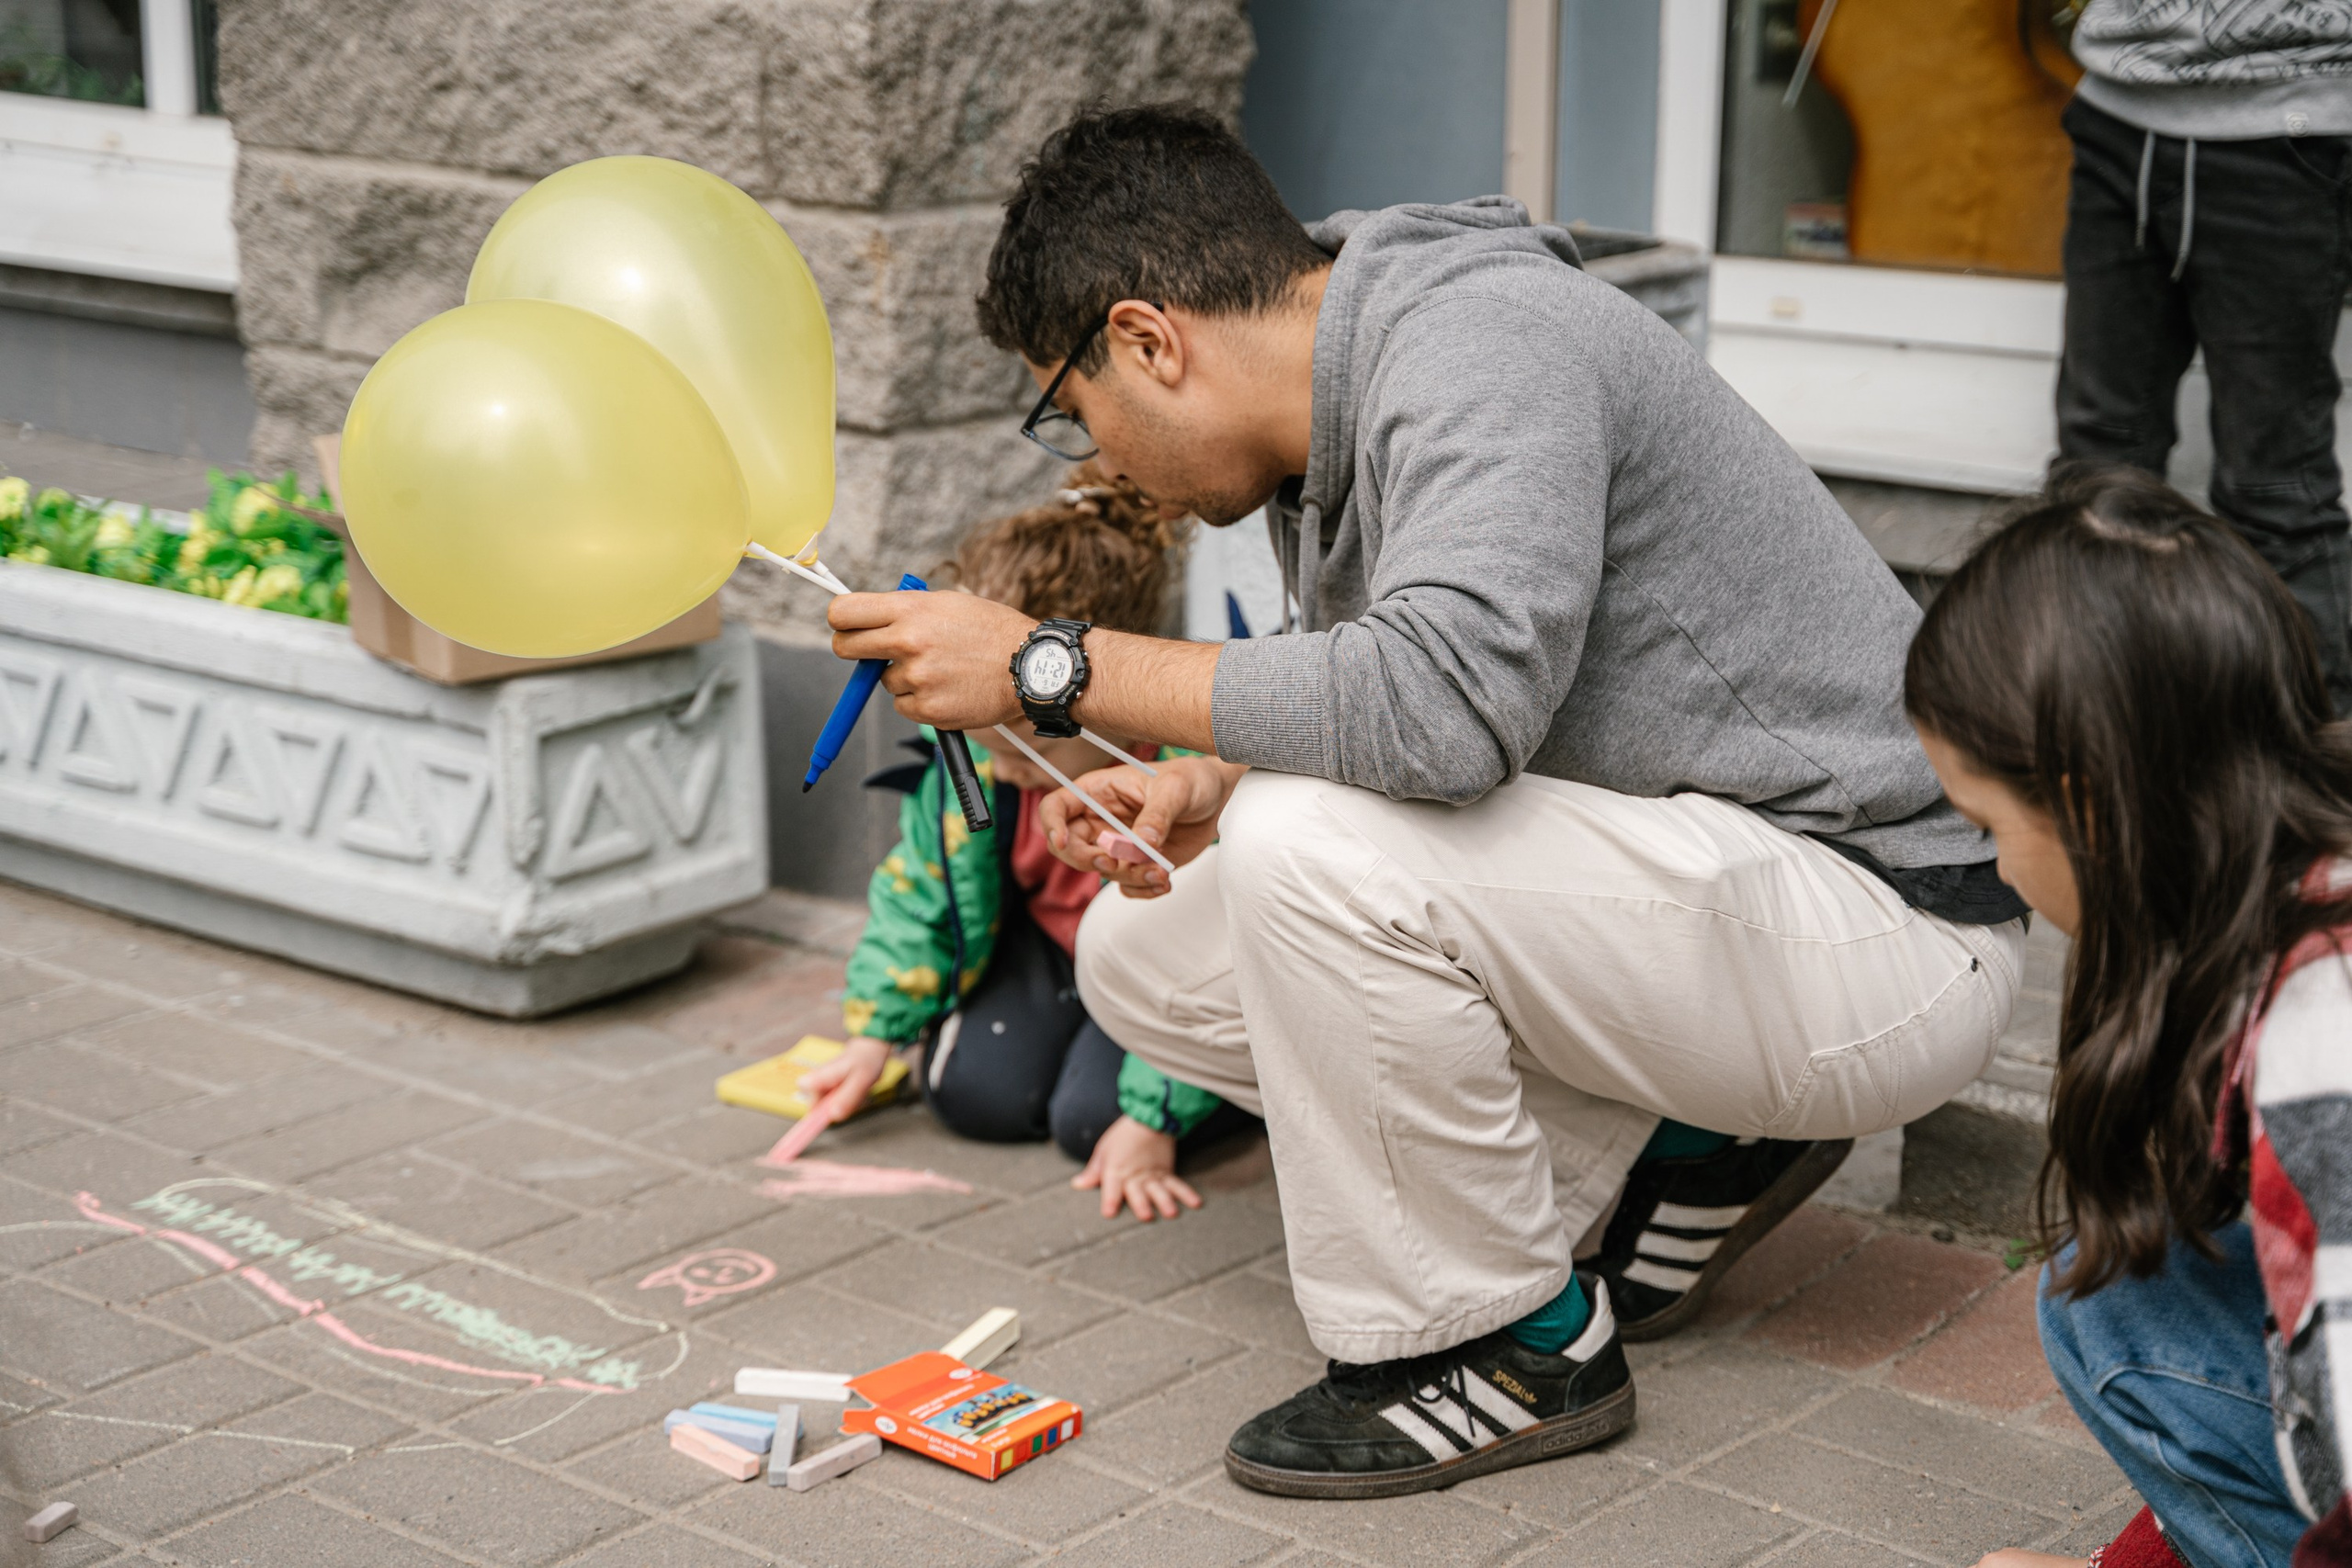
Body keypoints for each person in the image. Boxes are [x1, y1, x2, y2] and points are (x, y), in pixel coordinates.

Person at [827, 105, 2027, 1498]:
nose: (1093, 460)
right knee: (1144, 952)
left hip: (1891, 928)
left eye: (1070, 409)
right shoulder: (1326, 422)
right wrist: (1210, 781)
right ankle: (1656, 1152)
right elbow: (1413, 716)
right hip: (1719, 884)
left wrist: (1048, 663)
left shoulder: (1481, 346)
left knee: (1306, 853)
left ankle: (1507, 1344)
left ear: (1151, 340)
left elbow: (1441, 712)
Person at [1908, 466, 2352, 1568]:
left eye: (1987, 822)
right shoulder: (2300, 885)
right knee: (2135, 1276)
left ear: (2090, 803)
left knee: (2110, 1309)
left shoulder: (2316, 1033)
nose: (1997, 867)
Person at [799, 468, 1242, 1223]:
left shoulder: (1176, 779)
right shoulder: (976, 769)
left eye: (1024, 735)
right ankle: (1070, 1040)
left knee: (1095, 1125)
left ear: (1102, 695)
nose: (1000, 762)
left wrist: (1154, 1117)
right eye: (981, 734)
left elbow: (1216, 965)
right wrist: (874, 1034)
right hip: (1047, 951)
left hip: (1154, 977)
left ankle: (1216, 1100)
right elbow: (920, 895)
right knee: (973, 1096)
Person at [2055, 0, 2352, 712]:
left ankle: (2316, 773)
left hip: (2288, 130)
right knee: (2097, 465)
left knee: (2276, 486)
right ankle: (2084, 726)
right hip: (2115, 116)